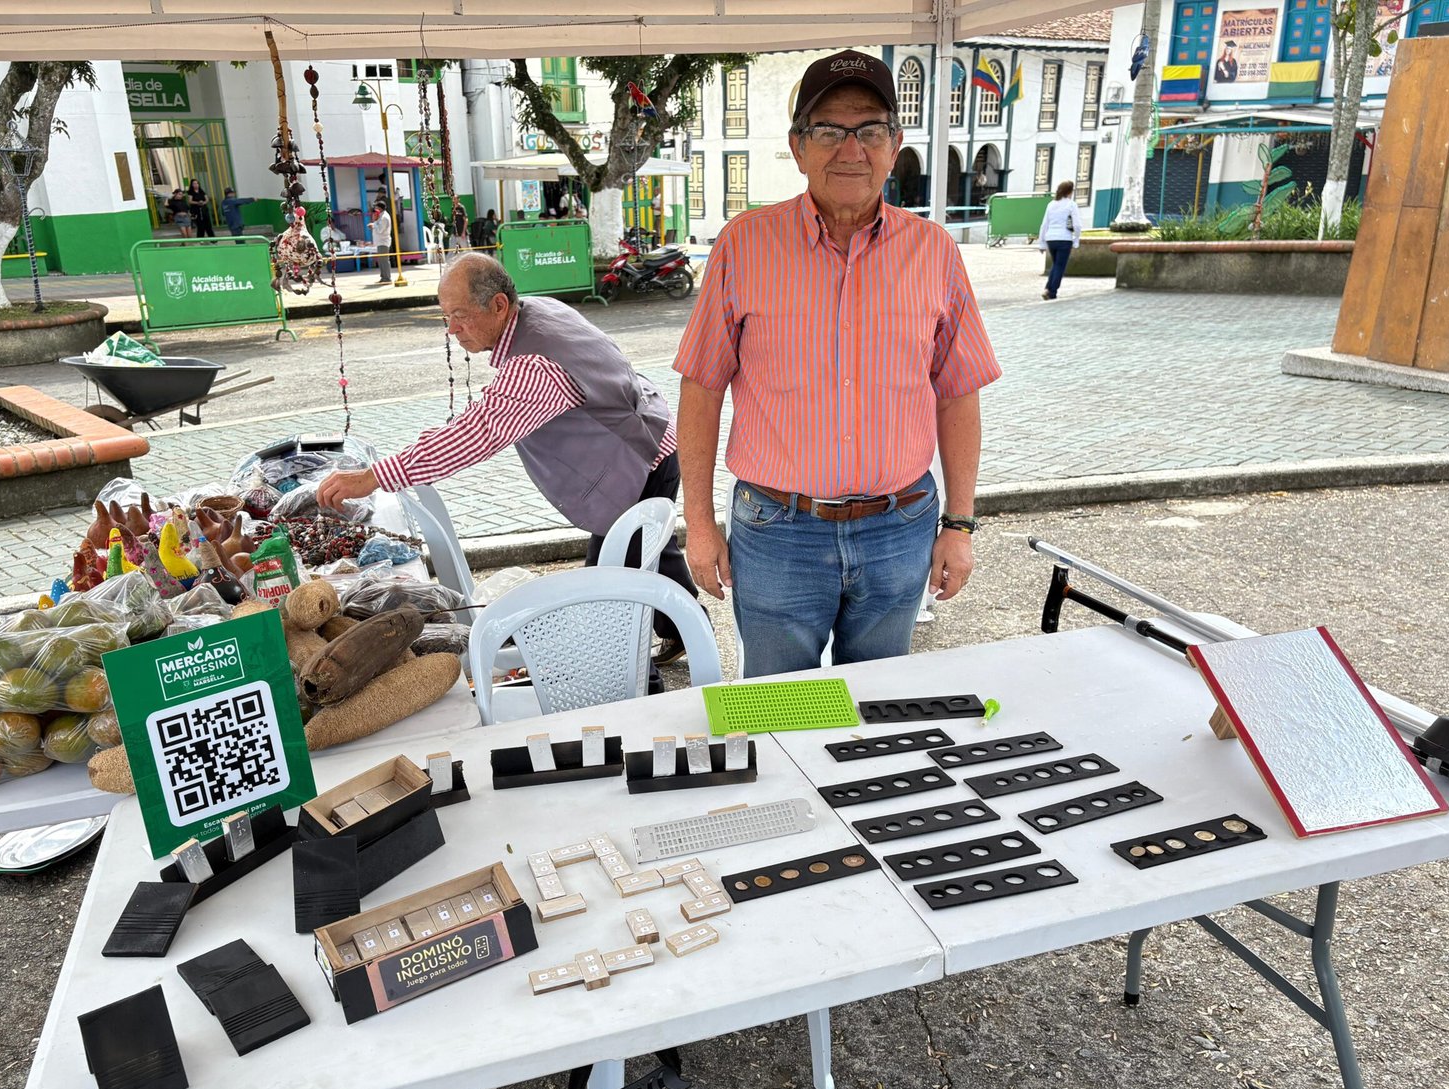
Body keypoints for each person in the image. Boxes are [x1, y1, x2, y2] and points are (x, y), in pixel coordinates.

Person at [672, 49, 1001, 677]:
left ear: (895, 145)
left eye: (870, 130)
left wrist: (959, 524)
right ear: (798, 147)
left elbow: (958, 392)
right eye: (828, 130)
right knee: (778, 705)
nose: (851, 149)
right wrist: (700, 523)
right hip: (777, 529)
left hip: (900, 526)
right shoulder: (744, 245)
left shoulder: (934, 251)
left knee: (879, 699)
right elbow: (701, 387)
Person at [317, 253, 699, 670]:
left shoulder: (534, 365)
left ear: (499, 304)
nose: (452, 329)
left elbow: (475, 435)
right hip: (649, 440)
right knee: (649, 554)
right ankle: (688, 634)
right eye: (446, 316)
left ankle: (633, 681)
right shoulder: (539, 310)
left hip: (636, 462)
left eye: (460, 315)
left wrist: (375, 476)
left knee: (609, 591)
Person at [1037, 180, 1082, 301]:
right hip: (1064, 238)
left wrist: (1041, 243)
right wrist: (1076, 239)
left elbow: (1044, 224)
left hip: (1051, 238)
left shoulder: (1051, 204)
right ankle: (1052, 292)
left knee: (1056, 264)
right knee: (1060, 266)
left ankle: (1048, 288)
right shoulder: (1071, 205)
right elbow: (1077, 225)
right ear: (1070, 192)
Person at [370, 202, 393, 283]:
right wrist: (374, 222)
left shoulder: (384, 217)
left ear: (380, 208)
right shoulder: (380, 216)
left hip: (383, 241)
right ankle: (383, 277)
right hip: (380, 242)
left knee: (384, 261)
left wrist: (373, 225)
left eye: (376, 207)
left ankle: (387, 278)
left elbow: (380, 230)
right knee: (381, 261)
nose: (375, 209)